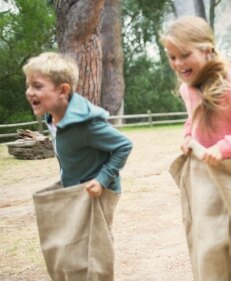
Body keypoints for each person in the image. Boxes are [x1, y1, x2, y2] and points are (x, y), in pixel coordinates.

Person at [161, 16, 231, 281]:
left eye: (184, 55)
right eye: (172, 57)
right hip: (206, 178)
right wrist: (188, 134)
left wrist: (224, 147)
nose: (178, 63)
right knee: (210, 245)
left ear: (206, 49)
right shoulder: (187, 88)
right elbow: (193, 118)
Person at [24, 52, 133, 280]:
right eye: (28, 86)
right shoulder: (54, 118)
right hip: (77, 189)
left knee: (96, 245)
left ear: (63, 91)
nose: (29, 92)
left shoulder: (87, 125)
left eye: (37, 86)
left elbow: (123, 145)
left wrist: (102, 180)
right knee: (76, 245)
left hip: (98, 192)